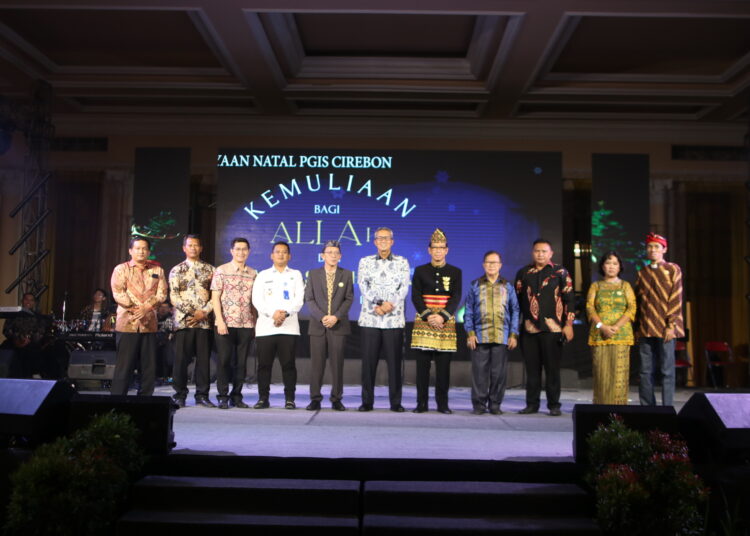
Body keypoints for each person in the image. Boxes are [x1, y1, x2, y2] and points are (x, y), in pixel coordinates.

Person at [514, 239, 575, 416]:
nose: (540, 254)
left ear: (550, 254)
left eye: (544, 251)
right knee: (532, 370)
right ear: (532, 253)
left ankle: (554, 405)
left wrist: (568, 325)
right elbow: (517, 301)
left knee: (552, 369)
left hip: (553, 330)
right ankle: (531, 404)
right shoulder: (523, 273)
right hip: (529, 329)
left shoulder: (560, 272)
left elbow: (569, 301)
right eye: (537, 251)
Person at [357, 227, 410, 412]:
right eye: (380, 239)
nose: (383, 241)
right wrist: (379, 302)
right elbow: (363, 285)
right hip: (371, 319)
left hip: (393, 320)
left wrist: (390, 305)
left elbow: (403, 287)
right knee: (368, 363)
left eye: (387, 239)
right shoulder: (365, 261)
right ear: (375, 242)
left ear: (392, 242)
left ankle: (396, 403)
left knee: (395, 364)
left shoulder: (402, 262)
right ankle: (366, 402)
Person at [410, 228, 461, 414]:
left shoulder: (456, 272)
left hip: (445, 322)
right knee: (422, 368)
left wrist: (442, 316)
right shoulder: (420, 270)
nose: (438, 251)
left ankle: (443, 404)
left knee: (443, 368)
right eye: (435, 248)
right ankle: (421, 404)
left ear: (446, 250)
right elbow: (415, 296)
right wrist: (427, 315)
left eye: (441, 248)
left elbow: (456, 297)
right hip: (424, 321)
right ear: (429, 250)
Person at [110, 237, 168, 396]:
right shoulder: (121, 269)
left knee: (148, 368)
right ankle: (117, 401)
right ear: (130, 251)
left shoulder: (158, 271)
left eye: (144, 248)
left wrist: (147, 308)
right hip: (128, 324)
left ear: (149, 251)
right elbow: (118, 292)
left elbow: (162, 294)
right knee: (124, 367)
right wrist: (136, 309)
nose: (141, 251)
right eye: (137, 248)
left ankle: (145, 401)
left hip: (149, 325)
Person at [464, 251, 520, 415]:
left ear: (500, 265)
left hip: (502, 335)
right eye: (488, 263)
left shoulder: (507, 286)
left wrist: (513, 334)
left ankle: (495, 404)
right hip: (480, 336)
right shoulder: (475, 285)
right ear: (483, 265)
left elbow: (515, 310)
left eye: (495, 263)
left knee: (499, 373)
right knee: (479, 373)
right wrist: (470, 333)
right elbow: (468, 311)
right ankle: (479, 404)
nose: (491, 266)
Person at [252, 241, 305, 409]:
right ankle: (263, 398)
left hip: (289, 327)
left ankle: (290, 399)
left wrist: (285, 314)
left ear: (289, 256)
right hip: (265, 328)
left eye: (284, 252)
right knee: (264, 366)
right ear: (271, 255)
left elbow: (299, 299)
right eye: (277, 252)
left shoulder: (296, 274)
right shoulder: (263, 275)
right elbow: (257, 300)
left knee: (288, 365)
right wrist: (272, 314)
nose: (281, 255)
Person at [304, 240, 354, 411]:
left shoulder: (346, 274)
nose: (333, 255)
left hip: (338, 326)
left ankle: (336, 398)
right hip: (318, 326)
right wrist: (322, 317)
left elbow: (349, 298)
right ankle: (315, 398)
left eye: (336, 253)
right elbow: (309, 299)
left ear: (340, 256)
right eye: (329, 252)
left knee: (337, 364)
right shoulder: (313, 274)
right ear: (322, 255)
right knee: (317, 364)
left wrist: (336, 317)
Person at [635, 232, 684, 406]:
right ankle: (647, 407)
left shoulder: (673, 269)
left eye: (656, 246)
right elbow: (639, 302)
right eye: (649, 246)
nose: (653, 250)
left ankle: (667, 407)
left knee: (666, 371)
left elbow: (676, 297)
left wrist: (671, 325)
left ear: (664, 249)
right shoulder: (642, 273)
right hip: (645, 327)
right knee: (644, 371)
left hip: (665, 328)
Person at [169, 234, 216, 408]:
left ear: (201, 248)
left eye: (196, 245)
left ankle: (202, 395)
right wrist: (191, 312)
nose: (193, 248)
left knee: (204, 360)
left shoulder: (211, 270)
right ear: (184, 248)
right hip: (184, 322)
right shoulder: (176, 270)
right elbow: (174, 296)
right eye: (190, 245)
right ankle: (179, 394)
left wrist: (203, 312)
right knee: (181, 360)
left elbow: (216, 296)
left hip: (204, 322)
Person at [211, 237, 257, 409]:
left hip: (246, 324)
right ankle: (222, 396)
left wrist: (255, 322)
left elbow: (254, 301)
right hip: (225, 324)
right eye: (237, 249)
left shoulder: (253, 273)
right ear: (231, 251)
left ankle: (236, 396)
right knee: (224, 361)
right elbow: (215, 297)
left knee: (242, 363)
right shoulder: (221, 271)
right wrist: (220, 320)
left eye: (244, 249)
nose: (241, 252)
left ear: (249, 252)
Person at [586, 251, 636, 405]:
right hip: (600, 335)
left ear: (620, 266)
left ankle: (619, 410)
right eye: (608, 263)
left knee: (618, 375)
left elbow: (632, 308)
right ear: (602, 266)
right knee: (602, 373)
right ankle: (600, 407)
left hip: (621, 335)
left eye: (615, 263)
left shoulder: (625, 285)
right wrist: (602, 326)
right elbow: (590, 308)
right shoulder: (596, 286)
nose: (611, 266)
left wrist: (615, 327)